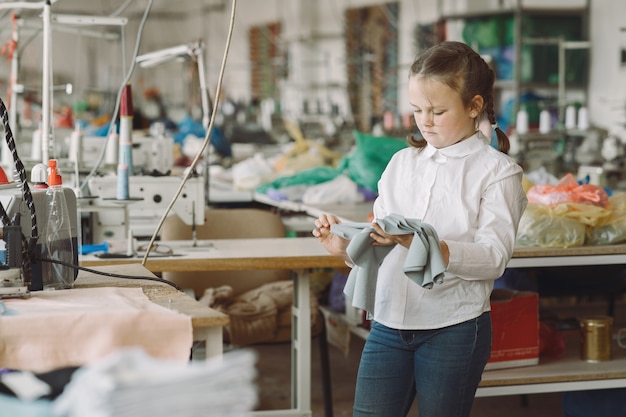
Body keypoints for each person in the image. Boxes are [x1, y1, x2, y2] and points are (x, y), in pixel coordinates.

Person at [312, 41, 528, 417]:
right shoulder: (401, 164)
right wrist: (343, 247)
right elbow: (380, 243)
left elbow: (494, 258)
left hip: (453, 326)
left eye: (438, 111)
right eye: (417, 110)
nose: (425, 121)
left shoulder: (498, 173)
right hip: (389, 322)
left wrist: (425, 245)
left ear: (474, 106)